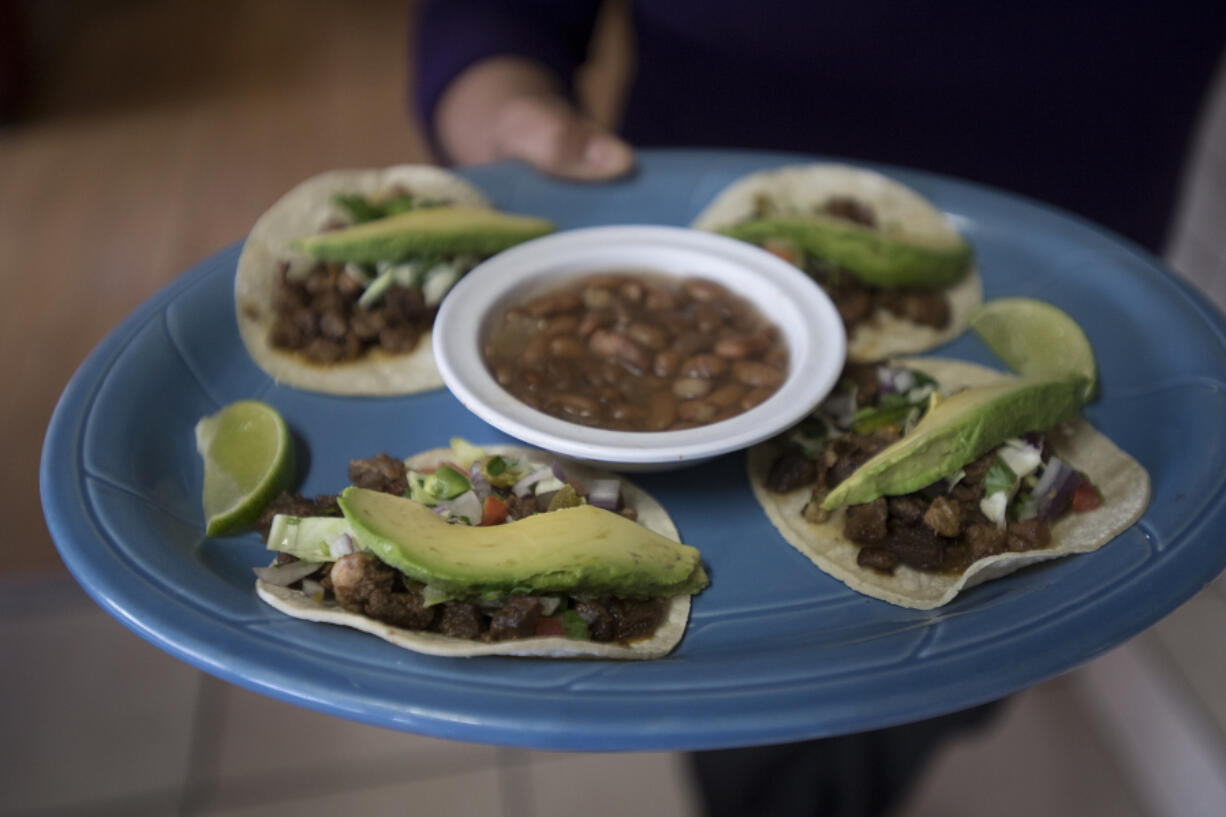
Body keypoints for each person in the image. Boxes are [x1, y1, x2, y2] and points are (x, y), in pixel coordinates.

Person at [409, 4, 1224, 815]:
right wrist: (500, 91)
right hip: (666, 195)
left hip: (1083, 261)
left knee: (969, 671)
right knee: (771, 753)